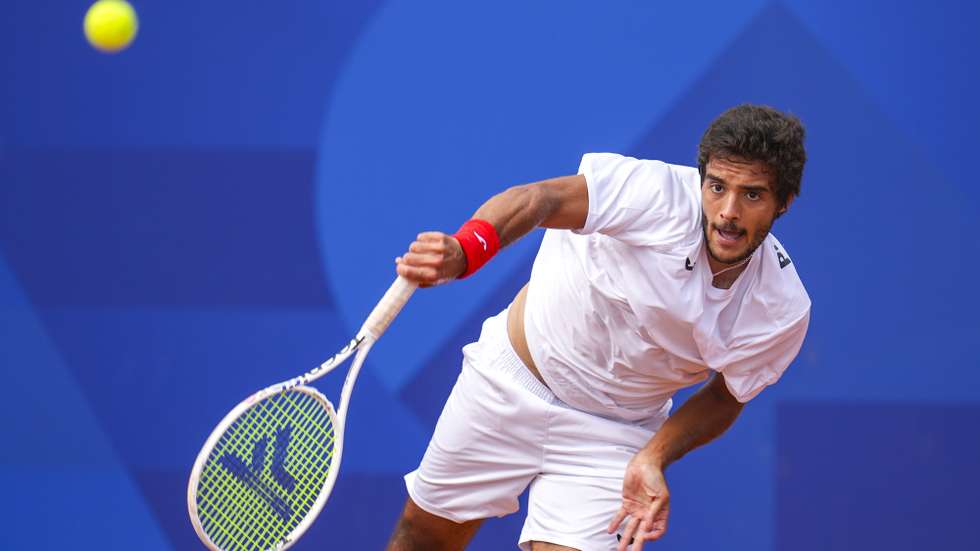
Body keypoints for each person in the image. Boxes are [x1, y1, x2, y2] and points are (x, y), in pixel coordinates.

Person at [386, 104, 810, 551]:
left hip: (612, 433)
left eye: (753, 195)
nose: (728, 211)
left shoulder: (779, 309)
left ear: (784, 202)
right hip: (506, 381)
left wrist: (654, 455)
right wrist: (466, 250)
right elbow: (540, 200)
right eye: (717, 187)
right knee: (422, 540)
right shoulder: (657, 195)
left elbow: (728, 395)